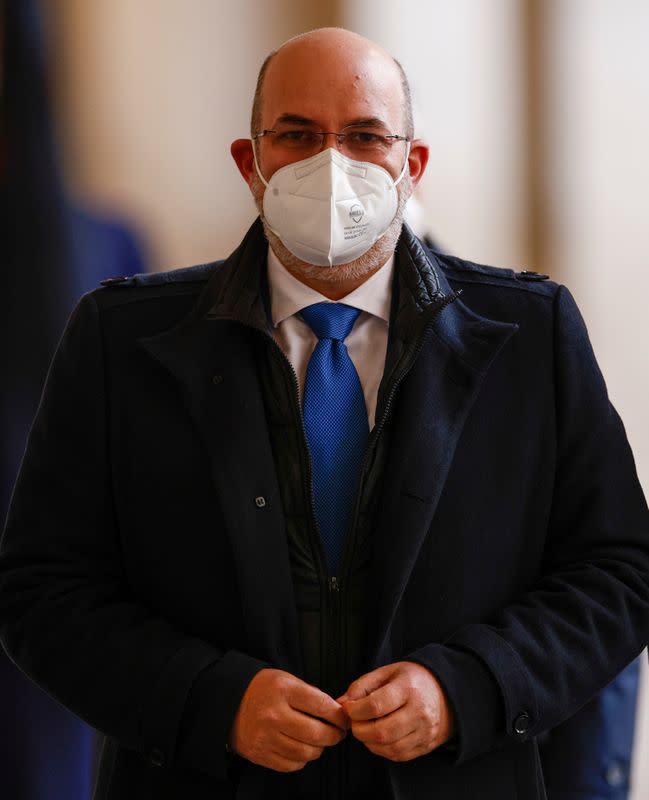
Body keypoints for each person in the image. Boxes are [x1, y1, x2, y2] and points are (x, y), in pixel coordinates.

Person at [0, 27, 648, 800]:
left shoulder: (528, 334)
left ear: (411, 167)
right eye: (297, 135)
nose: (330, 165)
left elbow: (617, 573)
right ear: (250, 162)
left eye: (365, 136)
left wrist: (469, 687)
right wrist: (209, 701)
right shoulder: (123, 340)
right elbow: (43, 594)